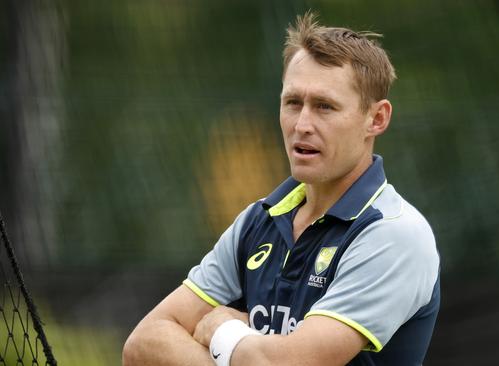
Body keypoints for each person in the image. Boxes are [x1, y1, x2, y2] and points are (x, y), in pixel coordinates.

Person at [123, 11, 440, 366]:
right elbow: (144, 343)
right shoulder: (256, 221)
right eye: (293, 103)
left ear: (376, 118)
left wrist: (224, 333)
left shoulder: (393, 235)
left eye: (324, 106)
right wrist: (244, 352)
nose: (302, 124)